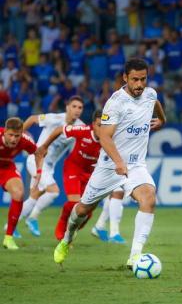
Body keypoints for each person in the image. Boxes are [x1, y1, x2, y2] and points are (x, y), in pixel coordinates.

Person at [53, 58, 166, 269]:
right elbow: (105, 137)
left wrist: (162, 120)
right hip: (108, 166)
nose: (139, 84)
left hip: (135, 166)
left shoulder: (150, 94)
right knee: (82, 210)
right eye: (135, 79)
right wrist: (118, 162)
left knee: (149, 198)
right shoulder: (116, 103)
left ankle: (135, 257)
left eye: (143, 79)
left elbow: (155, 104)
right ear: (125, 78)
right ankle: (67, 239)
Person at [18, 96, 84, 237]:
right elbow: (32, 119)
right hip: (36, 160)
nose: (77, 110)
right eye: (74, 106)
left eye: (80, 107)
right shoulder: (54, 118)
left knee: (34, 196)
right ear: (67, 107)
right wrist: (18, 136)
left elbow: (78, 148)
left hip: (49, 167)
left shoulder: (81, 127)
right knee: (53, 191)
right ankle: (32, 218)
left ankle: (9, 227)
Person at [36, 110, 102, 241]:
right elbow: (60, 129)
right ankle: (62, 223)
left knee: (87, 212)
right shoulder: (83, 130)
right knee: (74, 203)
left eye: (106, 125)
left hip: (91, 174)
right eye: (100, 125)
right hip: (73, 168)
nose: (103, 129)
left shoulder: (110, 137)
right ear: (93, 124)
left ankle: (70, 232)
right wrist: (44, 146)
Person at [1, 117, 44, 250]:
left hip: (7, 167)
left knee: (19, 194)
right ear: (4, 132)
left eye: (17, 135)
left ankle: (8, 238)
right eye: (11, 135)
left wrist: (38, 171)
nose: (14, 139)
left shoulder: (25, 141)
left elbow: (39, 153)